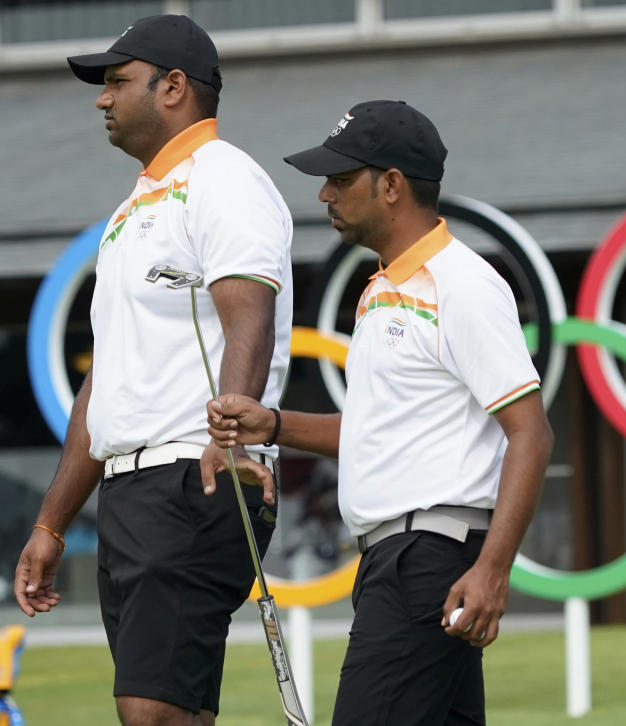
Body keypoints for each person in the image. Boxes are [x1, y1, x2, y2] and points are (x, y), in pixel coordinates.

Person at [207, 100, 553, 726]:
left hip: (429, 558)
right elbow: (371, 434)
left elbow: (531, 434)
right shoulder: (381, 289)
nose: (323, 194)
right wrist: (274, 424)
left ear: (391, 185)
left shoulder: (463, 286)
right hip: (397, 560)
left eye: (341, 179)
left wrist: (493, 570)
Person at [13, 15, 293, 726]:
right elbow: (103, 383)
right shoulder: (130, 209)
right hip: (131, 494)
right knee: (170, 711)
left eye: (115, 82)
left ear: (173, 87)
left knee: (151, 714)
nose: (101, 100)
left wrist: (229, 438)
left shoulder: (226, 179)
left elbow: (249, 320)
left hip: (196, 478)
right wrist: (50, 525)